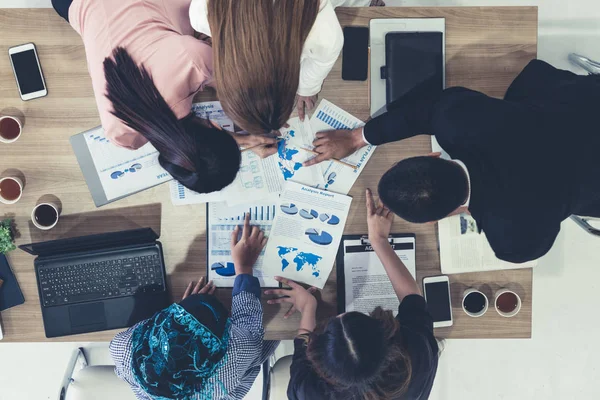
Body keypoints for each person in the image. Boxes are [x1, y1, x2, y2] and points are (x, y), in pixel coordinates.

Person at [305, 59, 600, 263]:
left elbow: (541, 239)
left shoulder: (514, 241)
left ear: (437, 218)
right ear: (431, 156)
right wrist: (358, 137)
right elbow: (424, 111)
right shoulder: (459, 120)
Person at [51, 0, 277, 194]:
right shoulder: (121, 136)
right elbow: (176, 143)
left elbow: (227, 83)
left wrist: (250, 120)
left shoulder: (194, 61)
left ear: (218, 126)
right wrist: (240, 141)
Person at [265, 189, 439, 400]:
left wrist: (309, 307)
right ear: (386, 333)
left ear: (318, 360)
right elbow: (413, 298)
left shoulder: (307, 391)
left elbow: (301, 354)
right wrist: (379, 240)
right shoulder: (418, 357)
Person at [110, 214, 278, 399]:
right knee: (272, 327)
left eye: (175, 313)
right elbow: (249, 321)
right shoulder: (238, 352)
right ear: (224, 340)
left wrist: (179, 317)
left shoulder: (122, 348)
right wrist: (244, 267)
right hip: (240, 371)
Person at [188, 0, 383, 138]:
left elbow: (322, 60)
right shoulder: (201, 15)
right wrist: (306, 88)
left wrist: (307, 88)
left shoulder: (323, 36)